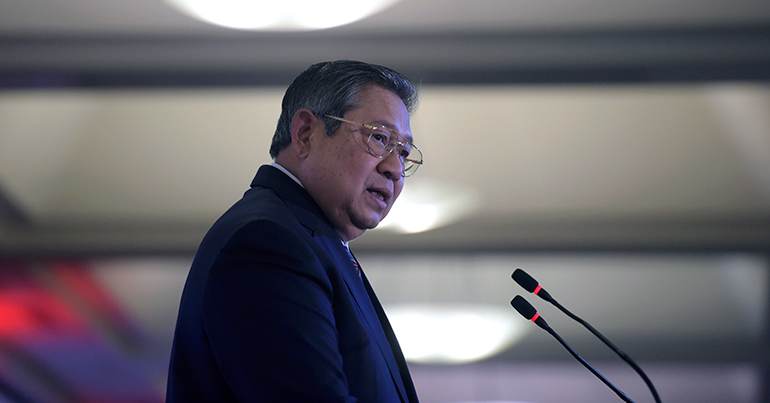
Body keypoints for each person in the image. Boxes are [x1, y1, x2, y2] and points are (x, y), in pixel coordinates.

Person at [166, 60, 423, 403]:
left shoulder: (317, 243)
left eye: (403, 152)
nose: (394, 168)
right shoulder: (266, 244)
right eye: (378, 138)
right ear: (304, 134)